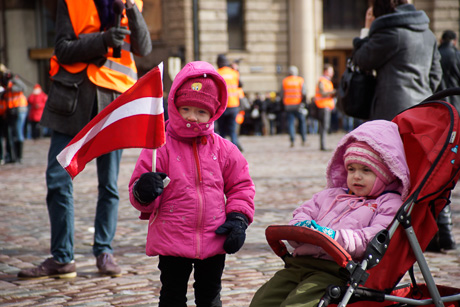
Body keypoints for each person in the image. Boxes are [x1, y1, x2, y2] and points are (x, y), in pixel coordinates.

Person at [18, 0, 152, 279]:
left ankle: (105, 251)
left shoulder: (133, 2)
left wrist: (131, 9)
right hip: (73, 100)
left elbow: (144, 47)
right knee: (57, 179)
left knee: (109, 185)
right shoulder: (72, 2)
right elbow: (63, 50)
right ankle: (62, 258)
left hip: (112, 103)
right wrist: (102, 41)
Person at [129, 61, 255, 306]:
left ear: (213, 113)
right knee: (172, 296)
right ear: (174, 105)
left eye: (201, 112)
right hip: (171, 238)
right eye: (186, 108)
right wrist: (143, 191)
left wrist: (239, 218)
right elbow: (141, 195)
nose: (191, 118)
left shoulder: (225, 150)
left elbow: (241, 186)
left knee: (209, 297)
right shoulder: (159, 146)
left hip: (213, 237)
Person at [250, 120, 411, 307]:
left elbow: (374, 238)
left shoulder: (389, 203)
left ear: (386, 173)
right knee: (262, 300)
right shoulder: (331, 194)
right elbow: (303, 212)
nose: (356, 176)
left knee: (297, 303)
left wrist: (333, 237)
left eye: (366, 170)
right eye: (351, 169)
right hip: (299, 264)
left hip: (335, 269)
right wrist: (302, 227)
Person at [352, 0, 442, 121]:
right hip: (423, 108)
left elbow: (362, 60)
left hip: (391, 112)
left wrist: (366, 30)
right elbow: (436, 74)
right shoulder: (429, 34)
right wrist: (422, 93)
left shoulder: (391, 32)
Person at [426, 29, 460, 252]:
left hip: (440, 111)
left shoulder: (437, 53)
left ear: (441, 39)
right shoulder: (457, 54)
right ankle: (445, 234)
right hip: (458, 106)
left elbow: (434, 79)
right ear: (454, 40)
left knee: (438, 169)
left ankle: (439, 233)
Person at [216, 54, 244, 151]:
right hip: (233, 105)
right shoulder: (233, 73)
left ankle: (221, 151)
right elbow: (240, 85)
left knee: (222, 132)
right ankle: (235, 151)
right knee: (232, 131)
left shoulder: (217, 73)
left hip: (221, 106)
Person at [282, 65, 307, 147]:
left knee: (290, 123)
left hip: (288, 105)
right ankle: (303, 140)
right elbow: (304, 92)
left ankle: (292, 140)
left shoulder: (285, 81)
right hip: (298, 104)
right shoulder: (300, 80)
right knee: (302, 122)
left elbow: (282, 93)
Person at [314, 63, 336, 151]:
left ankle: (323, 144)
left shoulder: (327, 81)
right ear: (325, 71)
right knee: (324, 127)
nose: (332, 73)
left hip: (326, 106)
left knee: (325, 126)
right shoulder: (322, 81)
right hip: (323, 106)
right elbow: (322, 92)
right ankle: (323, 145)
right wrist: (332, 92)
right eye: (331, 71)